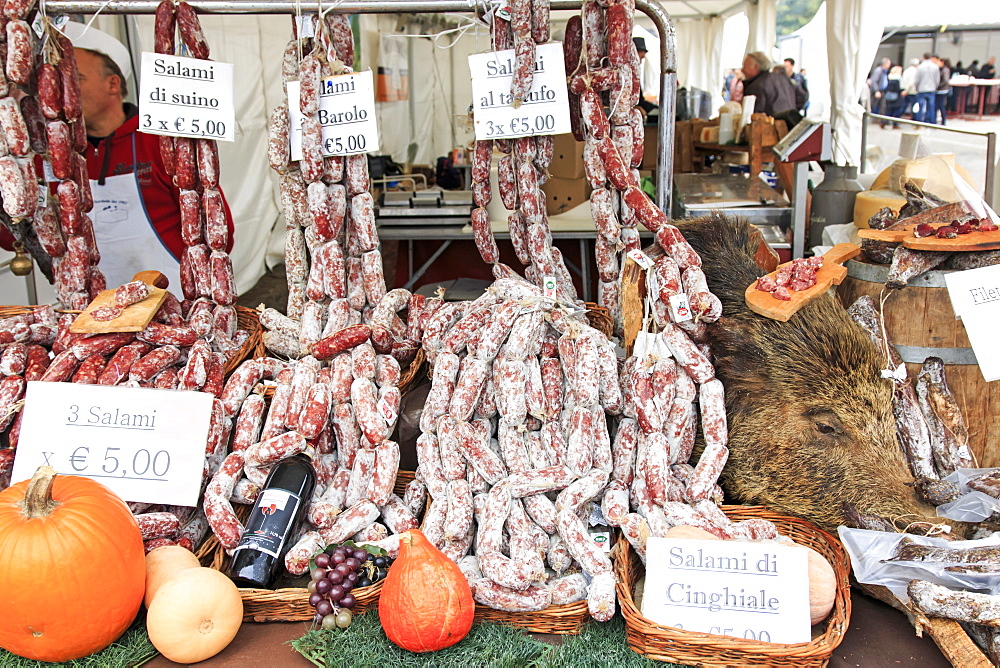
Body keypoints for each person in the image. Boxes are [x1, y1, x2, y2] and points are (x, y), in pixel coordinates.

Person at [70, 22, 234, 291]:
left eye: (77, 79)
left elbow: (218, 229)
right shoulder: (57, 156)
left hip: (171, 294)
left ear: (112, 84)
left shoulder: (159, 141)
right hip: (92, 303)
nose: (66, 91)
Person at [741, 51, 805, 127]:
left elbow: (754, 116)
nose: (742, 70)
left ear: (756, 67)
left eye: (745, 66)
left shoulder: (757, 86)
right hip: (790, 126)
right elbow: (802, 96)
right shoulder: (783, 79)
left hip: (770, 131)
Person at [632, 37, 658, 116]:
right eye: (640, 58)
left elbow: (640, 101)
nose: (640, 62)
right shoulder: (624, 74)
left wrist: (656, 108)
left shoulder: (634, 75)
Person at [914, 52, 940, 124]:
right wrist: (935, 87)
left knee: (920, 105)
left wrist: (917, 88)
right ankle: (930, 121)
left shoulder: (920, 67)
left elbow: (917, 79)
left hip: (921, 89)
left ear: (923, 57)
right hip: (931, 89)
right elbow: (937, 79)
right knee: (931, 106)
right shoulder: (935, 67)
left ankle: (918, 121)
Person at [935, 56, 951, 125]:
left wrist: (938, 86)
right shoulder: (941, 69)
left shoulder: (945, 70)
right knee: (938, 106)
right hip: (940, 90)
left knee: (941, 106)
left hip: (942, 90)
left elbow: (945, 80)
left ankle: (943, 121)